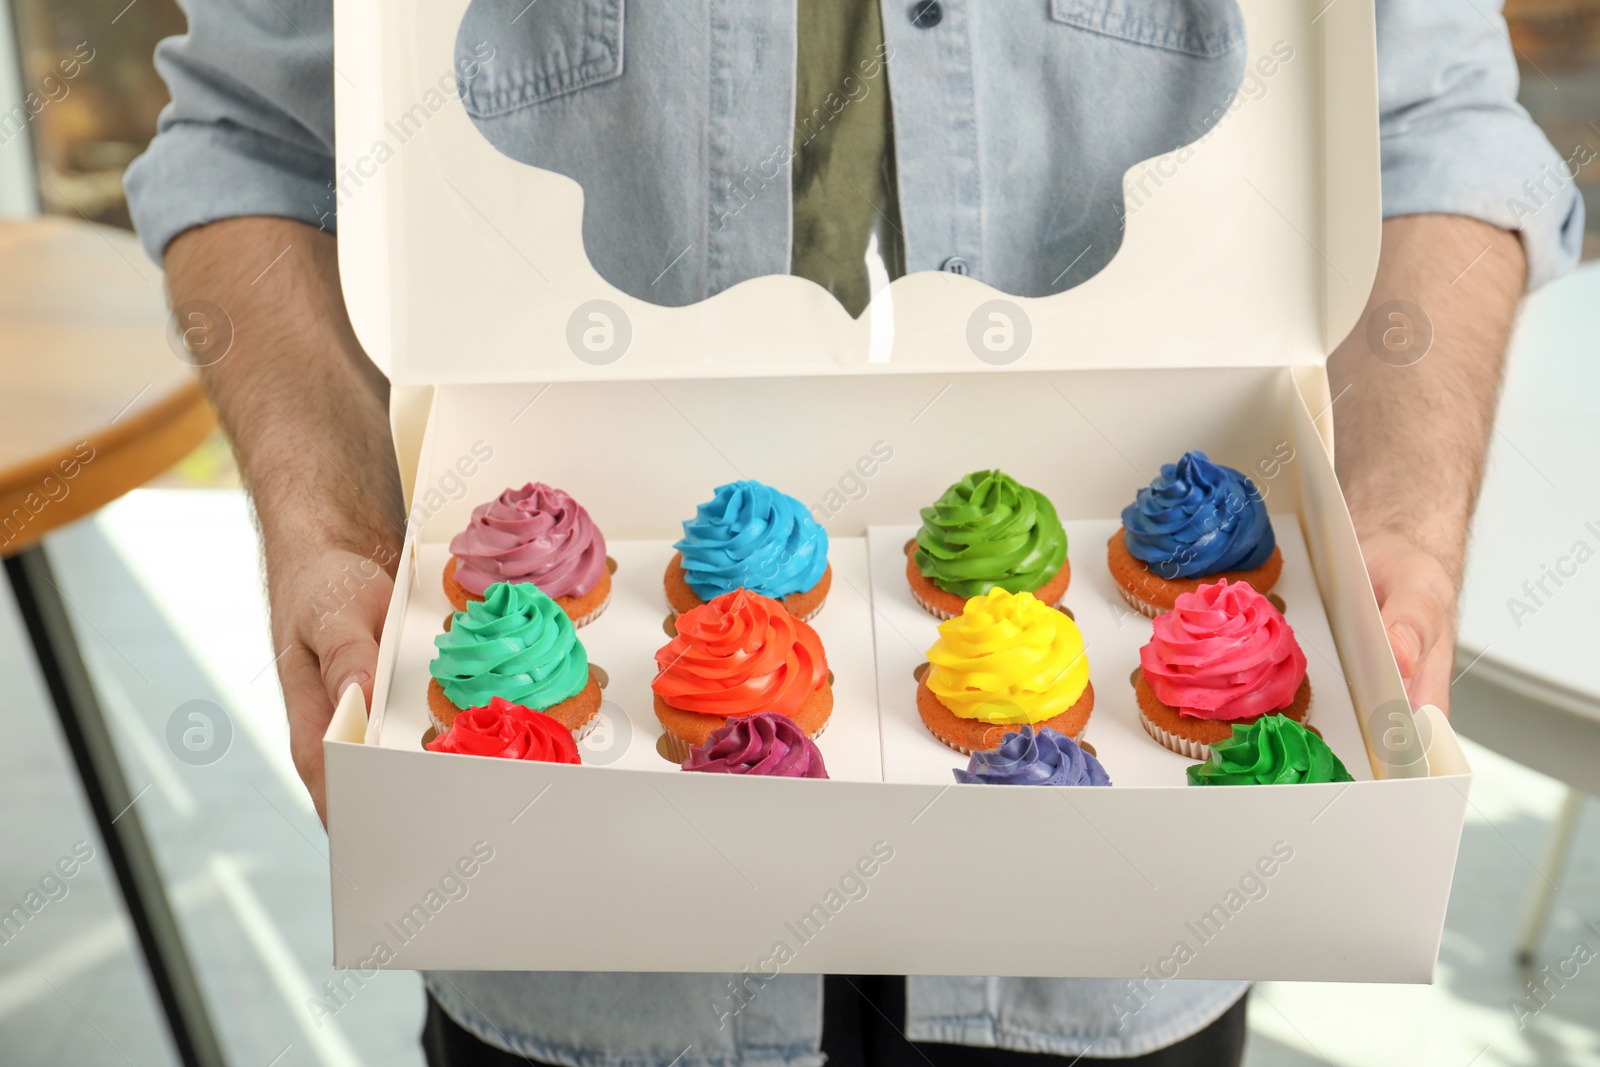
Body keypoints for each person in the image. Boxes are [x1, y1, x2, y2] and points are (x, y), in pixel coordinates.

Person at [124, 0, 1580, 1064]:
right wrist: (324, 527)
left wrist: (1395, 520)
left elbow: (1437, 125)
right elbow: (252, 138)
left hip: (1131, 929)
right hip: (576, 936)